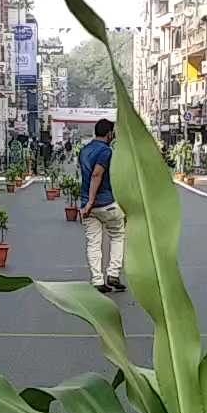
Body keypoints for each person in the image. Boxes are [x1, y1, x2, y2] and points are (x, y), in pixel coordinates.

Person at [78, 119, 125, 294]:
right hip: (106, 203)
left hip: (86, 206)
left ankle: (97, 280)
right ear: (109, 134)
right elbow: (97, 175)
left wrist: (87, 204)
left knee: (93, 243)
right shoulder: (106, 151)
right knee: (117, 235)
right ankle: (113, 273)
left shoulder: (84, 151)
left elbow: (86, 175)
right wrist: (92, 201)